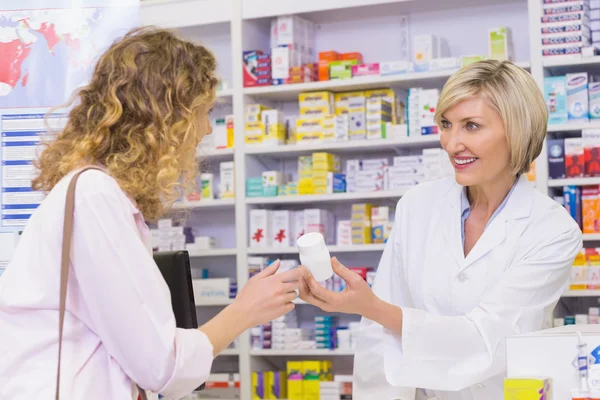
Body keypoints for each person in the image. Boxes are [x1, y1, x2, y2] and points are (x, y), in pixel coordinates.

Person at [0, 27, 301, 399]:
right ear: (165, 117)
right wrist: (245, 311)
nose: (207, 128)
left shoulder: (103, 195)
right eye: (204, 112)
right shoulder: (94, 196)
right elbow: (159, 365)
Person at [299, 60, 582, 400]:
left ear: (517, 131)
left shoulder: (552, 230)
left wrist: (369, 306)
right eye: (446, 124)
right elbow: (380, 341)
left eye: (472, 126)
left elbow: (488, 338)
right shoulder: (417, 205)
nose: (451, 144)